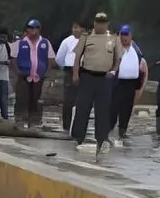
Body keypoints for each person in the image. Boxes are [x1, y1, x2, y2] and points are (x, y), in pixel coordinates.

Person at [69, 12, 122, 153]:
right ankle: (77, 138)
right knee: (82, 107)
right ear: (94, 23)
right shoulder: (86, 37)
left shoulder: (114, 39)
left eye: (103, 22)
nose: (101, 24)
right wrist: (75, 74)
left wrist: (113, 71)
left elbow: (118, 59)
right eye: (98, 21)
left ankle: (101, 139)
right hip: (87, 76)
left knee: (103, 110)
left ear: (107, 23)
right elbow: (77, 57)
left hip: (104, 78)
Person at [11, 19, 56, 128]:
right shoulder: (20, 43)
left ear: (39, 30)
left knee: (36, 98)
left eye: (35, 28)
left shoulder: (45, 42)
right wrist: (17, 71)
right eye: (30, 28)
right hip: (23, 76)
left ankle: (34, 121)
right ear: (27, 29)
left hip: (38, 77)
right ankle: (19, 120)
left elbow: (50, 58)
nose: (33, 31)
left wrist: (47, 71)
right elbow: (13, 58)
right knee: (21, 98)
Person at [109, 25, 147, 139]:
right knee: (113, 106)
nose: (124, 37)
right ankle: (109, 128)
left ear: (131, 36)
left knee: (127, 107)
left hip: (131, 83)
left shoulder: (135, 49)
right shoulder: (114, 47)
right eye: (122, 35)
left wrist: (140, 87)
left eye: (127, 35)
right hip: (117, 82)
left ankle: (123, 130)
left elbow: (142, 67)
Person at [56, 22, 84, 131]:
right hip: (69, 70)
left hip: (84, 71)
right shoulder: (67, 41)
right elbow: (59, 58)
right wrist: (67, 68)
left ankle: (79, 125)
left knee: (82, 100)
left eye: (77, 27)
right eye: (73, 27)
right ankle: (67, 125)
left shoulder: (88, 40)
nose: (75, 30)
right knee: (69, 99)